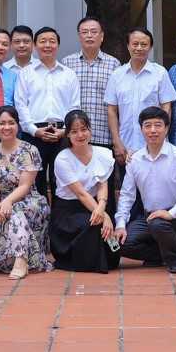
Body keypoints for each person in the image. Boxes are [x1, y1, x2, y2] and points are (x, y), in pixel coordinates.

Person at [113, 106, 176, 273]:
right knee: (117, 244)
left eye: (158, 125)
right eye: (148, 125)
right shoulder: (135, 160)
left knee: (158, 224)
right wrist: (121, 225)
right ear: (141, 129)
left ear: (166, 128)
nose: (153, 130)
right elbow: (126, 195)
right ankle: (161, 253)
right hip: (149, 217)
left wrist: (171, 213)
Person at [0, 105, 53, 279]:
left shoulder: (29, 150)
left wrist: (8, 201)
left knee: (14, 211)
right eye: (2, 123)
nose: (6, 127)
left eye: (11, 123)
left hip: (29, 200)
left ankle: (21, 259)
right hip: (1, 202)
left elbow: (25, 186)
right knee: (7, 213)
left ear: (18, 125)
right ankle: (21, 258)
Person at [50, 109, 119, 273]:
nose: (80, 135)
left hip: (94, 205)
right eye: (74, 131)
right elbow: (81, 193)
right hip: (68, 211)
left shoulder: (103, 153)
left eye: (84, 129)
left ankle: (106, 258)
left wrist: (102, 208)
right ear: (67, 134)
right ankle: (81, 261)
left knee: (113, 254)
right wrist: (104, 216)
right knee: (94, 223)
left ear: (90, 130)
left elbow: (102, 185)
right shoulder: (63, 159)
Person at [14, 27, 79, 195]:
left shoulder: (69, 74)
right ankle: (38, 213)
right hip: (33, 134)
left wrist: (65, 131)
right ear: (35, 46)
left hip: (62, 134)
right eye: (43, 41)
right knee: (34, 182)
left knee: (63, 181)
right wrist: (34, 131)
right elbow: (20, 105)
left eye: (52, 41)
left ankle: (59, 213)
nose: (47, 45)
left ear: (58, 45)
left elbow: (74, 107)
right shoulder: (25, 73)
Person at [105, 28, 176, 165]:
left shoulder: (160, 73)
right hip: (126, 146)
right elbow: (112, 110)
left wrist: (162, 135)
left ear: (150, 47)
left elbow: (166, 107)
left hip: (155, 144)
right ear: (128, 46)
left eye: (144, 44)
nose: (139, 48)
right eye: (135, 44)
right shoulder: (117, 75)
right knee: (127, 179)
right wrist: (117, 142)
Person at [62, 17, 121, 155]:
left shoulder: (114, 64)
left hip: (104, 136)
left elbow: (117, 104)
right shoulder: (67, 63)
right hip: (74, 137)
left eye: (94, 32)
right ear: (79, 36)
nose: (89, 35)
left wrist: (116, 139)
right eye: (85, 32)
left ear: (102, 36)